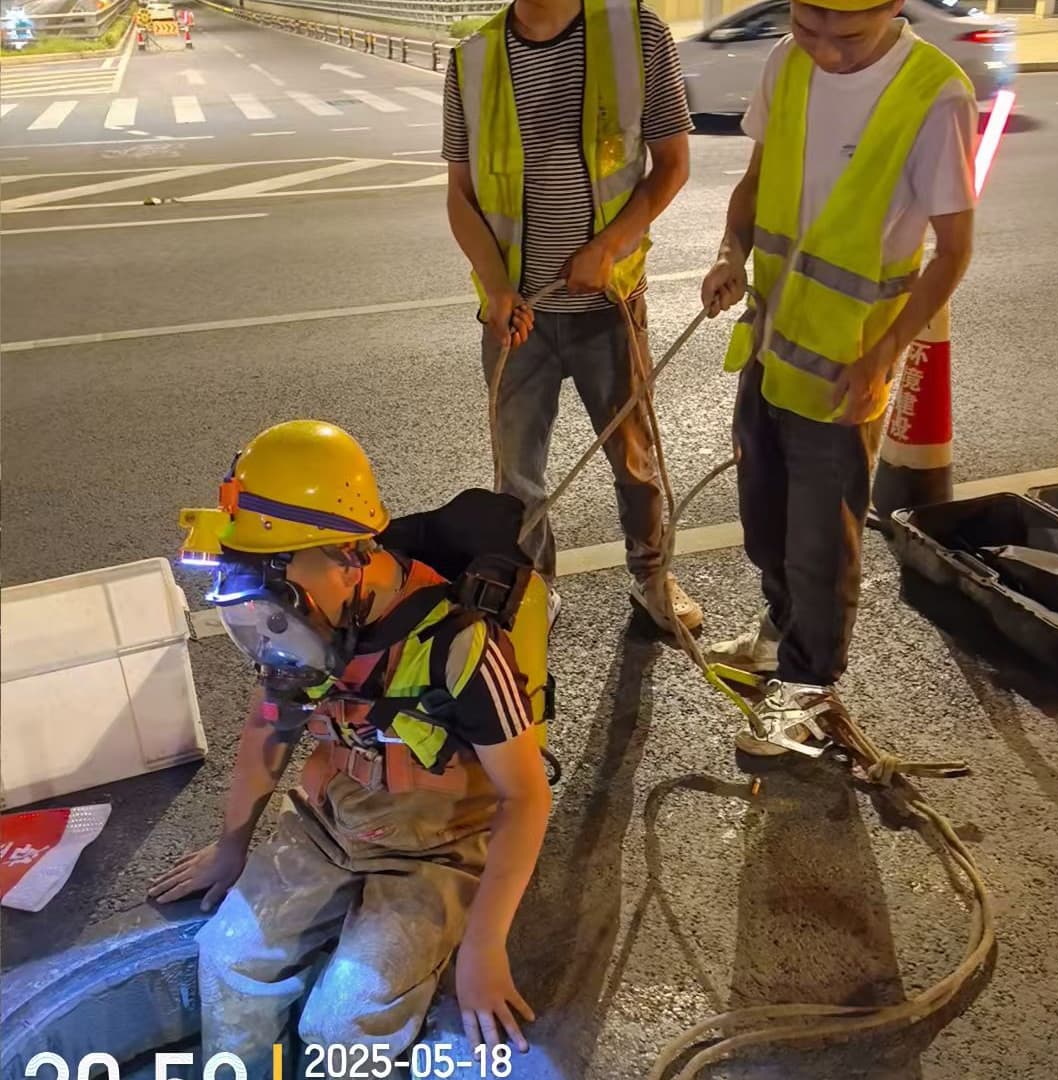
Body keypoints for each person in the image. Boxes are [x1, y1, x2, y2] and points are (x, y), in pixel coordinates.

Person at [149, 421, 553, 1076]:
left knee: (343, 1025)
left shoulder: (457, 644)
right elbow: (266, 728)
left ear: (352, 556)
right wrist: (232, 847)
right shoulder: (301, 620)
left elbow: (526, 797)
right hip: (327, 822)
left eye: (279, 586)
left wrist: (484, 947)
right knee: (227, 961)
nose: (268, 622)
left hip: (438, 848)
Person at [700, 0, 976, 753]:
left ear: (892, 8)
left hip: (846, 367)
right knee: (764, 520)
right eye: (806, 24)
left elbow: (953, 250)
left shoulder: (934, 94)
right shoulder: (785, 64)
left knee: (822, 542)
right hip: (770, 347)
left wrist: (883, 356)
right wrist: (730, 252)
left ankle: (810, 689)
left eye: (847, 33)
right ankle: (779, 636)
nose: (824, 50)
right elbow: (756, 183)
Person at [443, 0, 703, 635]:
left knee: (635, 460)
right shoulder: (472, 58)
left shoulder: (636, 34)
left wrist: (608, 247)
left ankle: (650, 577)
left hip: (608, 308)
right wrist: (498, 286)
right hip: (515, 318)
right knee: (517, 475)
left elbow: (671, 164)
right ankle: (534, 590)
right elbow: (461, 192)